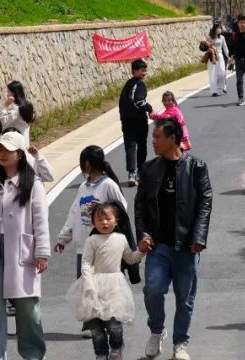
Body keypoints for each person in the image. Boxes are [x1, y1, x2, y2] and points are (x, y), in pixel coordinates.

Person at [0, 131, 51, 360]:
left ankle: (33, 354)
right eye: (0, 149)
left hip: (23, 251)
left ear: (20, 154)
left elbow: (40, 220)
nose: (2, 154)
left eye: (8, 150)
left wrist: (43, 251)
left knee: (28, 308)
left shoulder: (33, 184)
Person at [136, 118, 212, 360]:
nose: (153, 141)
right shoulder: (149, 169)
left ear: (172, 139)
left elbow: (205, 202)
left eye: (157, 137)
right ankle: (157, 331)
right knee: (153, 291)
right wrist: (143, 234)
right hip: (158, 245)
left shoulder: (196, 167)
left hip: (186, 246)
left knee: (185, 299)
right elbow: (140, 206)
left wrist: (199, 236)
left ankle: (181, 343)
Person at [55, 145, 129, 332]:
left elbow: (122, 208)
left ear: (86, 164)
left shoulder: (108, 185)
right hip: (85, 246)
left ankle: (107, 321)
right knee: (86, 287)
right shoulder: (83, 187)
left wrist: (103, 210)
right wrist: (64, 238)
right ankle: (91, 324)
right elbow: (74, 214)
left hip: (104, 248)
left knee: (104, 288)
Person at [66, 203, 148, 360]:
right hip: (93, 286)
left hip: (115, 287)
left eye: (108, 219)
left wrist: (142, 251)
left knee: (114, 325)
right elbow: (86, 263)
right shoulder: (92, 241)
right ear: (93, 222)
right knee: (95, 328)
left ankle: (116, 348)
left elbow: (130, 259)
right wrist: (88, 283)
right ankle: (101, 354)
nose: (104, 222)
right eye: (99, 219)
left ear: (116, 221)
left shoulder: (121, 239)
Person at [119, 59, 153, 186]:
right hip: (138, 120)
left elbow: (122, 103)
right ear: (134, 71)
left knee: (130, 146)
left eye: (145, 70)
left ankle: (131, 173)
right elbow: (139, 101)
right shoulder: (140, 85)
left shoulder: (127, 84)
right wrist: (150, 109)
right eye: (142, 70)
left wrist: (123, 118)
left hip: (126, 121)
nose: (144, 73)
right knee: (142, 146)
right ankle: (140, 171)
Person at [205, 23, 229, 96]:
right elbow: (205, 47)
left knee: (222, 72)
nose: (220, 29)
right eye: (218, 28)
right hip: (212, 56)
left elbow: (225, 47)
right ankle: (214, 91)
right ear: (214, 29)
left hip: (220, 55)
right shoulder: (209, 37)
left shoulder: (222, 37)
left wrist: (228, 56)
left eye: (220, 28)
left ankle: (223, 86)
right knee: (212, 73)